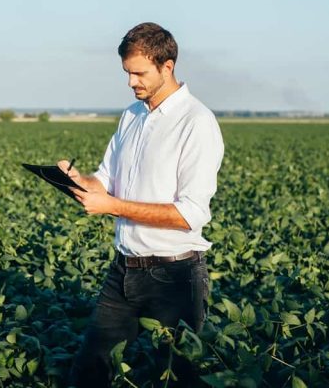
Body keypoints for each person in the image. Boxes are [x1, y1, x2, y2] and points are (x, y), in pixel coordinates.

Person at [61, 22, 224, 387]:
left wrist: (113, 206)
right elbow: (105, 179)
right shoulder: (132, 115)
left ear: (167, 66)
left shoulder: (196, 122)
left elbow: (190, 215)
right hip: (123, 273)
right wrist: (78, 181)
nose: (131, 82)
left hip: (175, 278)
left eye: (139, 73)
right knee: (90, 372)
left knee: (176, 377)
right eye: (127, 73)